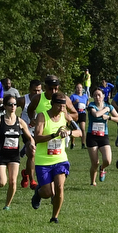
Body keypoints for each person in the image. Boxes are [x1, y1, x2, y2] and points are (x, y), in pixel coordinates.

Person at [29, 83, 78, 223]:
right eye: (59, 106)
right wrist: (53, 135)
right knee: (48, 192)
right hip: (43, 160)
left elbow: (79, 132)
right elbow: (37, 138)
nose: (62, 109)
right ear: (52, 104)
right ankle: (38, 193)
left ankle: (54, 217)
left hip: (60, 158)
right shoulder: (42, 116)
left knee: (59, 187)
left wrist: (69, 132)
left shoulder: (65, 116)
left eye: (63, 106)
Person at [0, 94, 33, 210]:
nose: (13, 106)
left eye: (15, 104)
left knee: (13, 181)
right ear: (5, 106)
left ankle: (7, 205)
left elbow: (30, 137)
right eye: (10, 104)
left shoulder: (20, 121)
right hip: (1, 155)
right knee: (1, 183)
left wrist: (32, 144)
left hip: (14, 156)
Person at [81, 86, 118, 184]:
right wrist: (106, 109)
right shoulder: (91, 105)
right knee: (95, 162)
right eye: (95, 95)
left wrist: (109, 117)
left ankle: (102, 168)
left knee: (107, 160)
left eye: (99, 95)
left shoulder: (109, 107)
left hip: (103, 136)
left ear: (103, 96)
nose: (97, 97)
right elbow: (96, 115)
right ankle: (92, 182)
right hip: (92, 136)